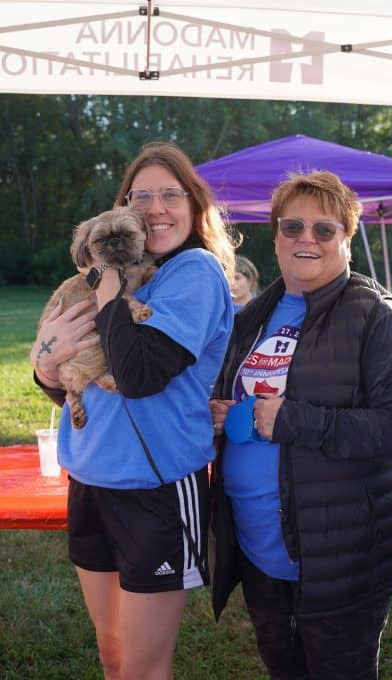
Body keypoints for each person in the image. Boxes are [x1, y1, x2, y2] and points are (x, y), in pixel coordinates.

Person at [30, 141, 237, 679]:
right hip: (92, 475)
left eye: (171, 194)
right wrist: (44, 363)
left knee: (144, 667)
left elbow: (137, 377)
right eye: (140, 195)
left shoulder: (194, 271)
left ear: (194, 207)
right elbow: (66, 377)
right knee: (113, 652)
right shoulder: (112, 277)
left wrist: (108, 285)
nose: (155, 206)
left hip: (157, 486)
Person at [209, 170, 392, 680]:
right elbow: (239, 399)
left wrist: (293, 420)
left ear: (347, 240)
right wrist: (222, 414)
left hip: (341, 560)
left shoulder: (372, 313)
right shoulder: (250, 318)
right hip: (260, 551)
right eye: (293, 227)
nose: (306, 239)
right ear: (276, 236)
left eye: (324, 230)